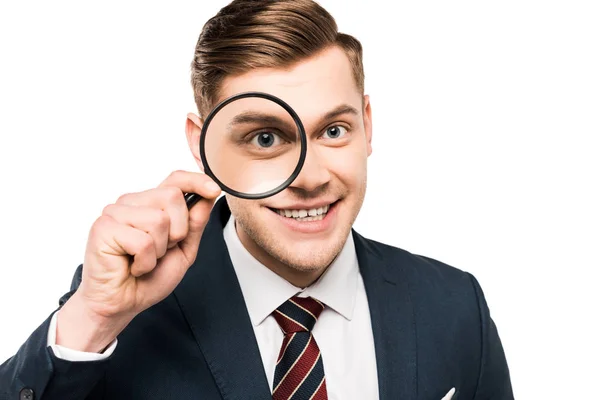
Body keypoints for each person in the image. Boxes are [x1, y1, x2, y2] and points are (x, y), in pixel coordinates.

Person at [0, 0, 513, 399]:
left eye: (334, 130)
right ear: (202, 145)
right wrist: (92, 319)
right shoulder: (123, 312)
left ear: (368, 126)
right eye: (265, 138)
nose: (310, 178)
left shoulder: (453, 305)